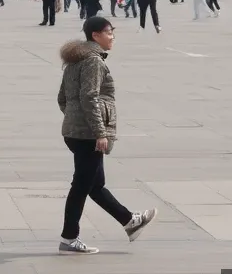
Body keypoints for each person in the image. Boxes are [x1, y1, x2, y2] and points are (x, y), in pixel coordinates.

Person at [56, 16, 157, 254]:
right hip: (88, 134)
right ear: (95, 35)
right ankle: (69, 238)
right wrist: (99, 132)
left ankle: (130, 221)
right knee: (81, 186)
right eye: (109, 32)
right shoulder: (93, 62)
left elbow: (63, 98)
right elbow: (89, 97)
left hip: (75, 132)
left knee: (95, 184)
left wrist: (73, 118)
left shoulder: (74, 60)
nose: (112, 36)